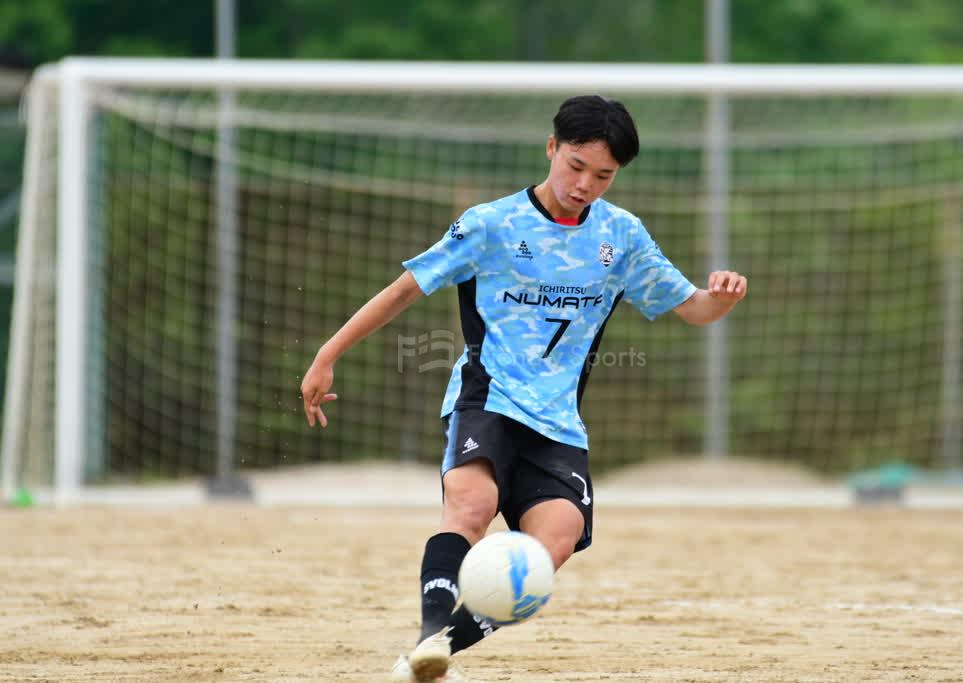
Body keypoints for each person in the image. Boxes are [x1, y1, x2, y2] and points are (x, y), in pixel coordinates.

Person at [300, 95, 748, 682]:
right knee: (471, 507)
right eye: (576, 166)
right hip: (486, 398)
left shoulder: (622, 236)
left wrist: (722, 297)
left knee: (554, 542)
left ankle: (430, 657)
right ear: (551, 148)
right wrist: (328, 355)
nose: (584, 185)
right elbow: (404, 289)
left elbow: (694, 308)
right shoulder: (491, 224)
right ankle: (429, 632)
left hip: (558, 420)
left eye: (603, 175)